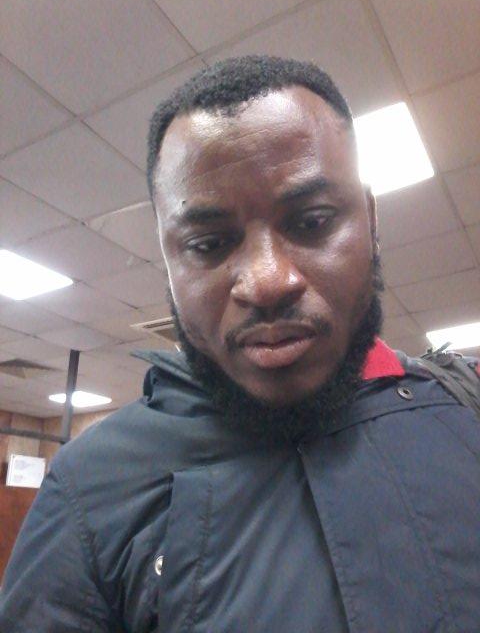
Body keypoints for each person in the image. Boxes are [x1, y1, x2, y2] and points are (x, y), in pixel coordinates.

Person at [1, 55, 479, 632]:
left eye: (312, 221)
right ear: (168, 260)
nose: (267, 281)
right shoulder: (90, 491)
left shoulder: (463, 418)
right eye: (208, 244)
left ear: (371, 223)